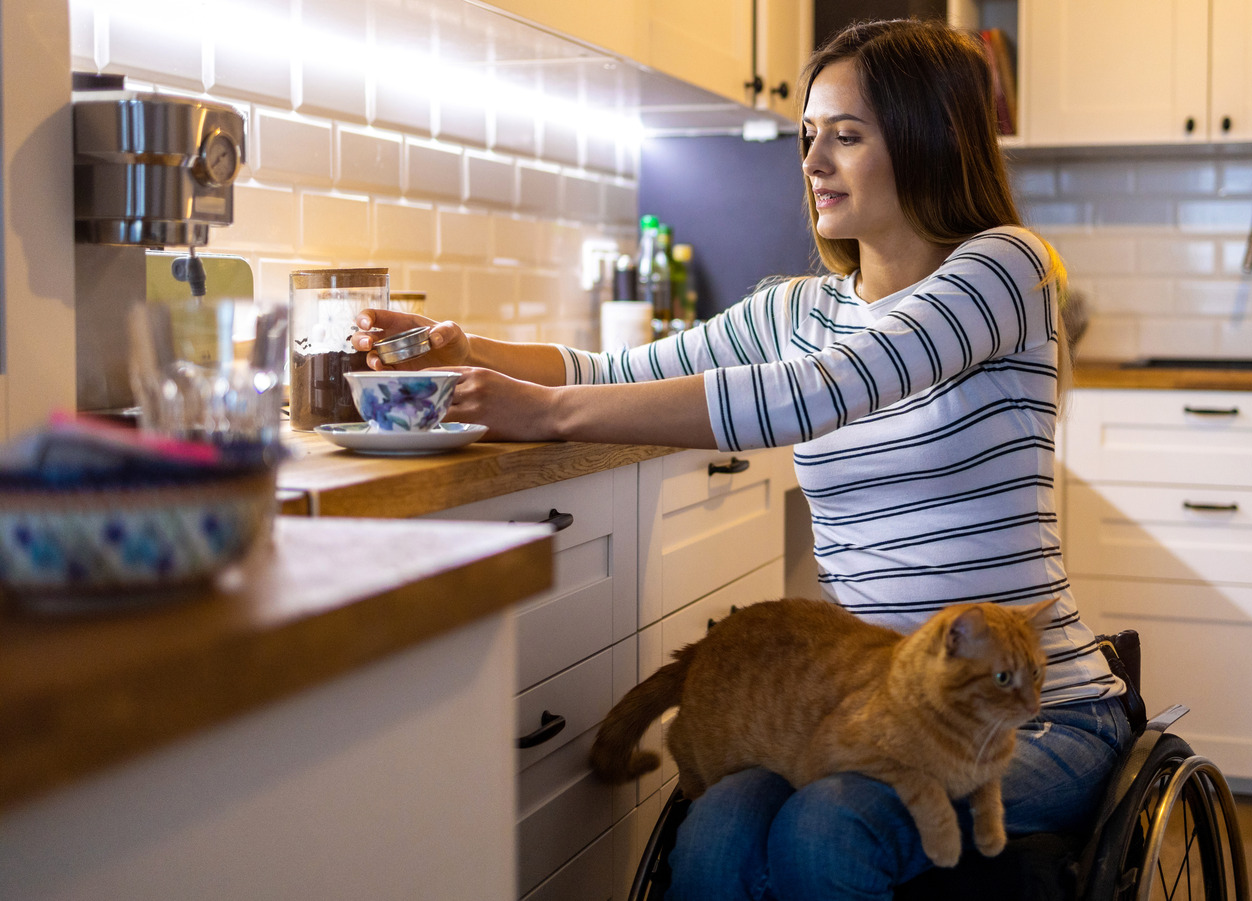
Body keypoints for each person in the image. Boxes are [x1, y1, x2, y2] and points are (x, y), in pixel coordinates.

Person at [355, 18, 1129, 900]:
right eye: (808, 137)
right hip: (875, 709)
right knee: (718, 829)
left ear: (932, 140)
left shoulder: (1007, 269)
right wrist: (462, 348)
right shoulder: (795, 309)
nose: (813, 161)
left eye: (846, 135)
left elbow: (823, 390)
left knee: (826, 827)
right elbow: (611, 370)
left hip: (1039, 718)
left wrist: (548, 413)